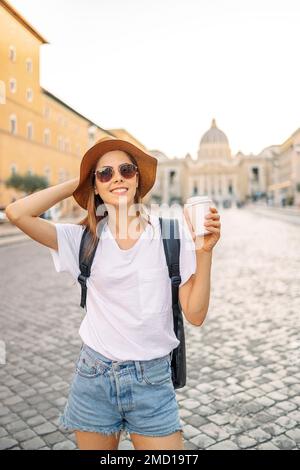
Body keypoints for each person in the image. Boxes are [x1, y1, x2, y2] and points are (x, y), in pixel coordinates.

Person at [5, 136, 221, 450]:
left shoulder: (171, 235)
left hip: (153, 382)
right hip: (93, 377)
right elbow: (17, 213)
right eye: (104, 173)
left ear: (138, 179)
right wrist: (79, 181)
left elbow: (196, 315)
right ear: (95, 186)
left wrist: (204, 252)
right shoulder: (82, 239)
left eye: (126, 169)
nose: (116, 177)